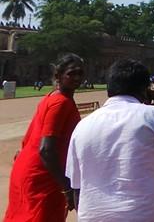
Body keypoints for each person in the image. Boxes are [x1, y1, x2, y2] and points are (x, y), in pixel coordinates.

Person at [66, 59, 154, 222]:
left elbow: (77, 186)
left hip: (93, 216)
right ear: (145, 89)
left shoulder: (82, 126)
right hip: (142, 214)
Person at [5, 54, 84, 222]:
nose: (77, 78)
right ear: (58, 76)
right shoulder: (60, 102)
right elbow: (46, 150)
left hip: (32, 168)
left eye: (80, 73)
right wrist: (66, 188)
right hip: (42, 174)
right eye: (71, 73)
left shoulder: (53, 97)